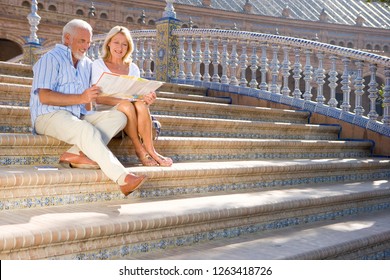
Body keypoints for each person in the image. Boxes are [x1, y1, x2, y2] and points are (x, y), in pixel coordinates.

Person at [29, 19, 147, 196]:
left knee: (118, 117)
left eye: (89, 42)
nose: (86, 46)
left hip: (77, 115)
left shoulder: (86, 64)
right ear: (67, 38)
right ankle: (122, 178)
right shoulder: (50, 59)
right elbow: (44, 97)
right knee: (85, 129)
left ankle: (73, 154)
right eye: (82, 41)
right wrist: (82, 98)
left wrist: (140, 96)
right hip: (48, 115)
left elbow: (93, 96)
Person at [91, 26, 173, 167]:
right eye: (116, 42)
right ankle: (139, 148)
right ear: (108, 43)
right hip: (106, 107)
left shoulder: (133, 68)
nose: (120, 47)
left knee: (140, 105)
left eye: (124, 44)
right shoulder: (98, 65)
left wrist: (147, 98)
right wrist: (122, 100)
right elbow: (96, 98)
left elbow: (137, 95)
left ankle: (152, 151)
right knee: (126, 104)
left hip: (130, 107)